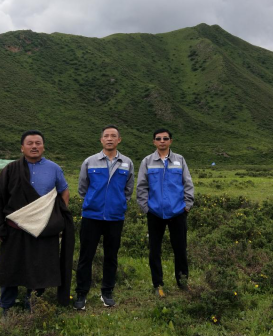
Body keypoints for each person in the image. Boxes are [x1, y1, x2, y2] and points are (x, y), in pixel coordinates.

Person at [0, 130, 75, 316]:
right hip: (15, 228)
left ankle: (32, 303)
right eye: (30, 143)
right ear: (22, 148)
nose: (34, 146)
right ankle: (6, 306)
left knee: (39, 267)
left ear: (43, 147)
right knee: (11, 267)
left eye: (38, 143)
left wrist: (57, 217)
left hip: (43, 229)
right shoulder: (10, 169)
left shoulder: (54, 168)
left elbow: (64, 191)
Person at [73, 125, 135, 310]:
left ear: (119, 140)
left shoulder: (127, 163)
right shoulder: (90, 162)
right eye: (106, 136)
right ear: (101, 140)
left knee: (111, 256)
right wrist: (94, 201)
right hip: (91, 216)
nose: (109, 138)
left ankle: (107, 292)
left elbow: (128, 189)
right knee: (86, 256)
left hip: (115, 217)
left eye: (113, 136)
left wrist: (118, 203)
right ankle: (81, 293)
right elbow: (82, 188)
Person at [136, 128, 194, 297]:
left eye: (165, 138)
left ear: (170, 141)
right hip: (155, 213)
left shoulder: (180, 160)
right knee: (155, 250)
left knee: (180, 249)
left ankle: (182, 282)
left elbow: (187, 183)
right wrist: (146, 208)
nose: (162, 141)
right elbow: (141, 186)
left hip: (177, 212)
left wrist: (187, 205)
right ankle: (158, 284)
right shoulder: (147, 161)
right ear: (154, 141)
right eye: (159, 138)